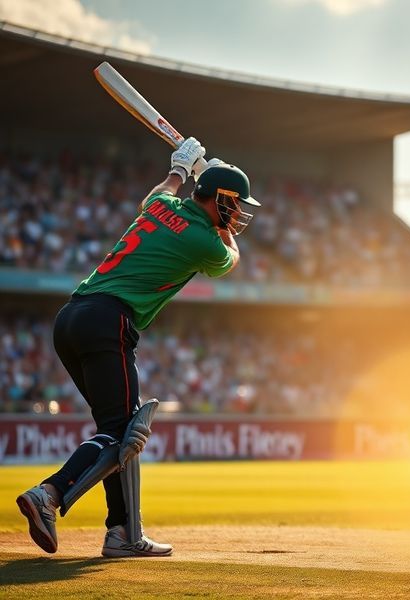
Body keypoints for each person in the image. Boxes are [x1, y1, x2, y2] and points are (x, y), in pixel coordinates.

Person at [16, 138, 260, 557]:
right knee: (121, 433)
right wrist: (216, 219)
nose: (238, 215)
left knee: (120, 429)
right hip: (109, 320)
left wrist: (180, 171)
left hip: (72, 317)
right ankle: (50, 495)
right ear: (219, 200)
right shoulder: (206, 240)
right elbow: (229, 259)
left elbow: (157, 196)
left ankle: (122, 532)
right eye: (234, 205)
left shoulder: (162, 208)